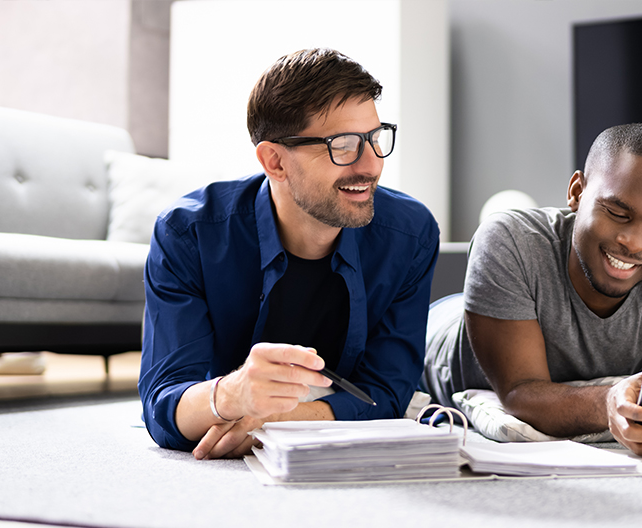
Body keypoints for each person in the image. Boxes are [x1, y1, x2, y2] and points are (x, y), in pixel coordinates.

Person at [139, 48, 440, 459]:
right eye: (344, 145)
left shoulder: (411, 234)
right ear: (274, 161)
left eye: (375, 137)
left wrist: (274, 420)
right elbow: (165, 404)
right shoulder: (188, 234)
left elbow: (386, 394)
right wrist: (232, 394)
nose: (371, 165)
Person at [422, 123, 642, 456]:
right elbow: (520, 395)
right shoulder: (509, 240)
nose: (633, 243)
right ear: (577, 191)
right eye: (617, 213)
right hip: (440, 328)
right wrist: (608, 402)